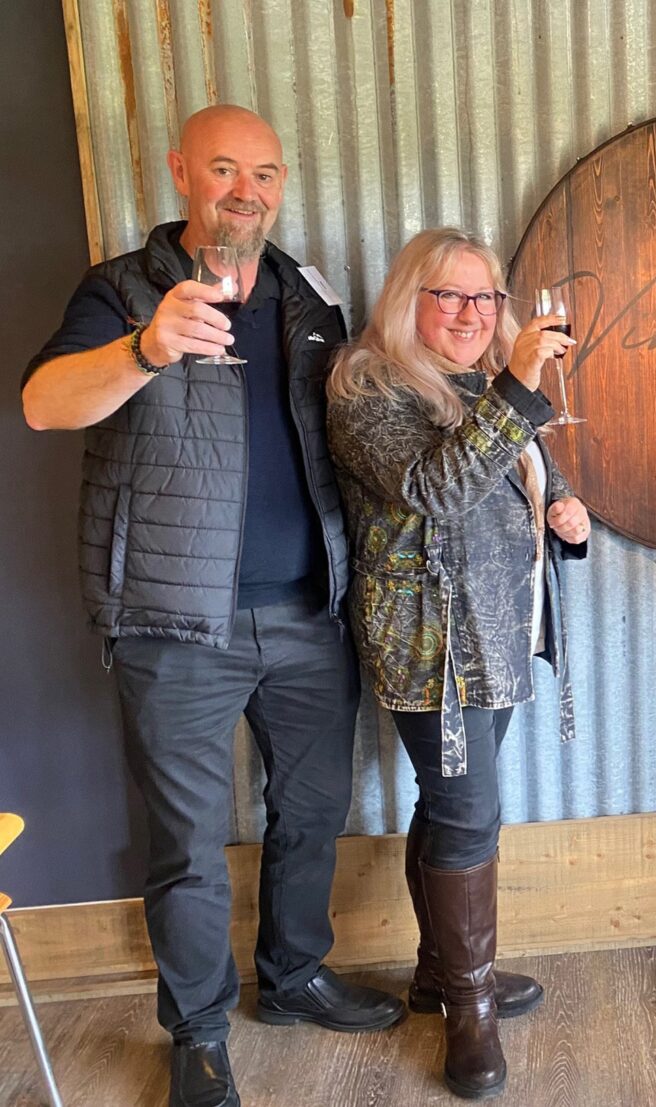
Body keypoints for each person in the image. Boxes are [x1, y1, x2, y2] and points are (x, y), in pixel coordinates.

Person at [21, 104, 402, 1107]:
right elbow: (43, 403)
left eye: (264, 173)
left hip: (310, 613)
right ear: (181, 171)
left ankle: (294, 975)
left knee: (312, 812)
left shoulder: (308, 293)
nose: (246, 190)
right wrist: (145, 349)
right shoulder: (121, 289)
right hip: (172, 623)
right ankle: (196, 1034)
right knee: (187, 846)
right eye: (225, 168)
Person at [326, 227, 589, 1099]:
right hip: (433, 647)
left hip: (498, 633)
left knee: (451, 806)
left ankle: (441, 972)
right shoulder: (368, 387)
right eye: (451, 295)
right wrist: (519, 382)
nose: (473, 313)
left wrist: (562, 507)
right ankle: (469, 1010)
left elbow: (514, 468)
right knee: (470, 815)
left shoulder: (479, 383)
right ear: (410, 300)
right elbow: (436, 487)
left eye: (486, 297)